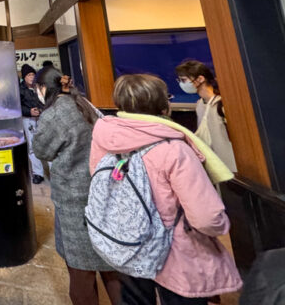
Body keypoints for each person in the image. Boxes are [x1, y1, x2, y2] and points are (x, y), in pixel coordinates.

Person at [90, 74, 242, 305]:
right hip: (175, 253)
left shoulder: (105, 137)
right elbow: (206, 217)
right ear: (163, 104)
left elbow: (98, 179)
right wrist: (222, 225)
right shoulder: (174, 148)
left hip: (125, 244)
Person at [32, 70, 120, 305]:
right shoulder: (84, 104)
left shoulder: (54, 114)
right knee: (113, 265)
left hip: (74, 198)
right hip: (105, 188)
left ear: (43, 87)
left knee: (81, 270)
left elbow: (42, 150)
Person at [175, 60, 237, 173]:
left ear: (200, 79)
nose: (181, 84)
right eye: (179, 80)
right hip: (213, 164)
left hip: (232, 164)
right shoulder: (199, 104)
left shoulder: (222, 104)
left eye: (184, 80)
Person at [19, 64, 45, 184]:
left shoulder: (40, 87)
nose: (32, 77)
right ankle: (38, 173)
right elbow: (17, 106)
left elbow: (46, 100)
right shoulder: (20, 89)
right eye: (29, 75)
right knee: (32, 147)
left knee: (48, 142)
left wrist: (41, 110)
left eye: (33, 74)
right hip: (28, 120)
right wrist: (29, 111)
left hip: (43, 118)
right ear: (24, 77)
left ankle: (54, 173)